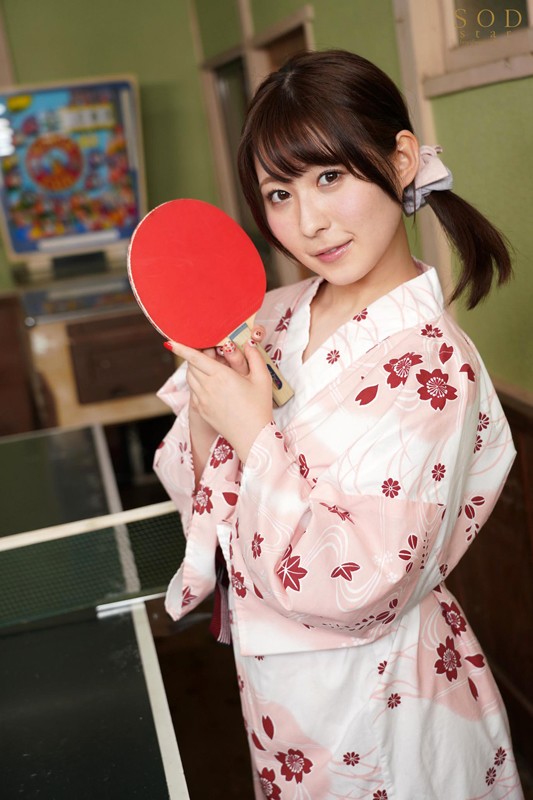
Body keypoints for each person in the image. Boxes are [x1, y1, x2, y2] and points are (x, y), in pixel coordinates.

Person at [155, 50, 523, 799]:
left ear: (400, 160)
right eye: (279, 193)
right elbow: (199, 501)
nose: (308, 221)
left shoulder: (433, 365)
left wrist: (252, 435)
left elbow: (359, 586)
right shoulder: (271, 315)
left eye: (329, 177)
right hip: (279, 694)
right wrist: (208, 412)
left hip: (384, 700)